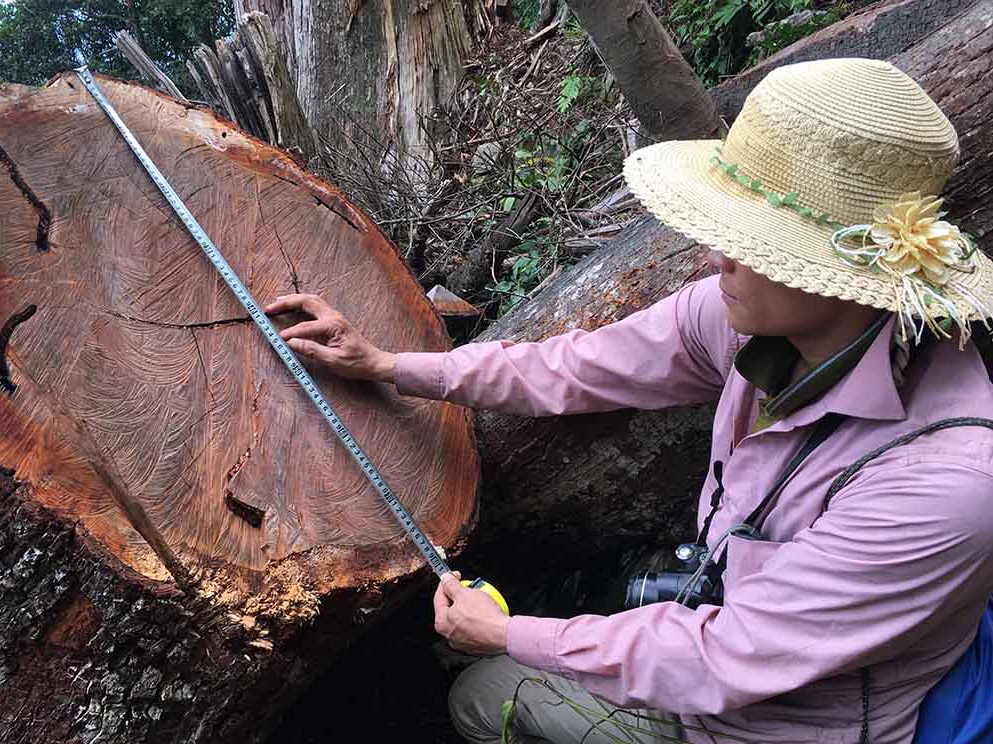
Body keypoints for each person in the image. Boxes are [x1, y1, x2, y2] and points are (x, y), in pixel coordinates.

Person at [265, 59, 993, 743]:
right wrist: (392, 365)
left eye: (752, 242)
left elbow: (724, 660)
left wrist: (509, 636)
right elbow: (574, 368)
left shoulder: (943, 480)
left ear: (837, 276)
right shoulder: (746, 320)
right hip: (721, 620)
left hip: (778, 722)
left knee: (479, 698)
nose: (716, 256)